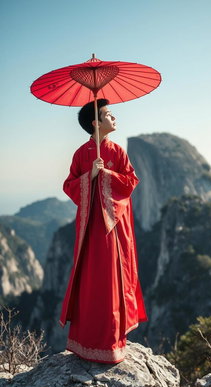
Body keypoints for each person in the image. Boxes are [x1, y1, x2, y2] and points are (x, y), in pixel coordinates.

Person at [59, 99, 148, 363]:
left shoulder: (118, 152)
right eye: (108, 114)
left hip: (114, 228)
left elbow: (130, 181)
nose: (114, 118)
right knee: (92, 281)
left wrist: (107, 175)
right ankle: (87, 342)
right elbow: (69, 185)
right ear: (95, 123)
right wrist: (91, 177)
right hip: (90, 229)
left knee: (112, 280)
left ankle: (112, 341)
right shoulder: (81, 154)